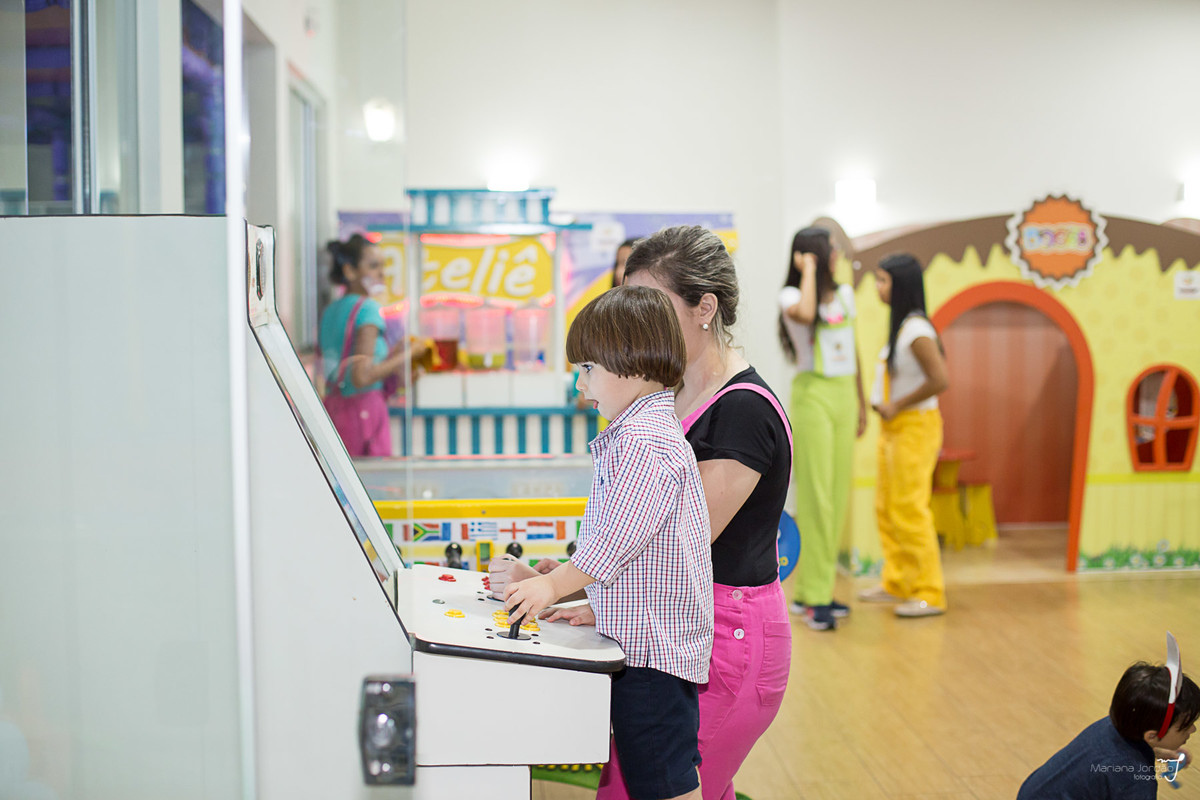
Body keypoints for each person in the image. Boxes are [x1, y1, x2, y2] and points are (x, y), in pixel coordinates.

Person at [496, 225, 792, 800]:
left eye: (650, 303)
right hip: (667, 630)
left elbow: (671, 543)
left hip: (720, 640)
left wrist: (567, 585)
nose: (635, 318)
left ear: (705, 309)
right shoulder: (655, 402)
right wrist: (584, 594)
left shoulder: (740, 412)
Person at [504, 284, 714, 800]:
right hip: (643, 646)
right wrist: (591, 601)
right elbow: (640, 556)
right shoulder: (638, 433)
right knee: (656, 776)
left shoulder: (645, 441)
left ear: (632, 364)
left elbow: (616, 541)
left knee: (663, 783)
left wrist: (552, 586)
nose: (580, 385)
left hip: (653, 661)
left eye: (588, 368)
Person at [777, 226, 866, 631]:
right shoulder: (791, 296)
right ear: (809, 256)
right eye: (828, 250)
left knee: (837, 495)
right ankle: (814, 597)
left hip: (844, 394)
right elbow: (807, 314)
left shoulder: (846, 295)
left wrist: (860, 401)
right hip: (812, 395)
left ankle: (818, 590)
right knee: (816, 498)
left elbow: (853, 349)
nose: (836, 255)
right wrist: (809, 270)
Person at [858, 253, 950, 617]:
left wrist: (897, 404)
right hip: (895, 428)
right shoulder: (903, 329)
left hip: (914, 428)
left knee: (910, 508)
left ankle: (929, 591)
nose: (878, 288)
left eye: (883, 281)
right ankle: (898, 581)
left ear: (901, 286)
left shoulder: (916, 331)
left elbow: (940, 379)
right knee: (887, 506)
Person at [1017, 661, 1197, 798]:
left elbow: (1113, 758)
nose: (1193, 730)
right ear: (1151, 736)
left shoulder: (1113, 725)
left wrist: (1157, 752)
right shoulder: (1136, 780)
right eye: (1186, 726)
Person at [319, 234, 426, 457]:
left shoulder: (330, 311)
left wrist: (393, 354)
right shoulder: (368, 309)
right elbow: (361, 376)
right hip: (364, 413)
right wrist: (408, 355)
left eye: (383, 266)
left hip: (332, 411)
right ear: (350, 271)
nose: (381, 273)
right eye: (373, 266)